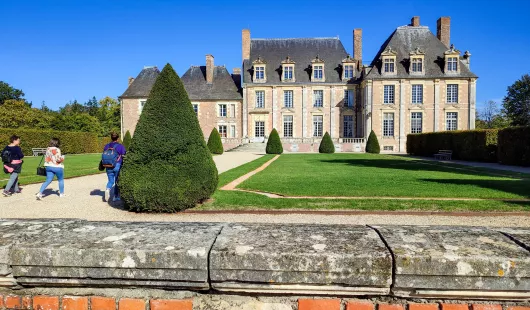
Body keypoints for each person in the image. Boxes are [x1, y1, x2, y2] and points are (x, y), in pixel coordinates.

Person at [102, 132, 126, 202]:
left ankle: (107, 189)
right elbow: (124, 153)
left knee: (110, 180)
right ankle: (116, 196)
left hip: (108, 165)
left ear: (111, 138)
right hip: (117, 165)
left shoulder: (107, 146)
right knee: (117, 181)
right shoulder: (120, 146)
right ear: (117, 138)